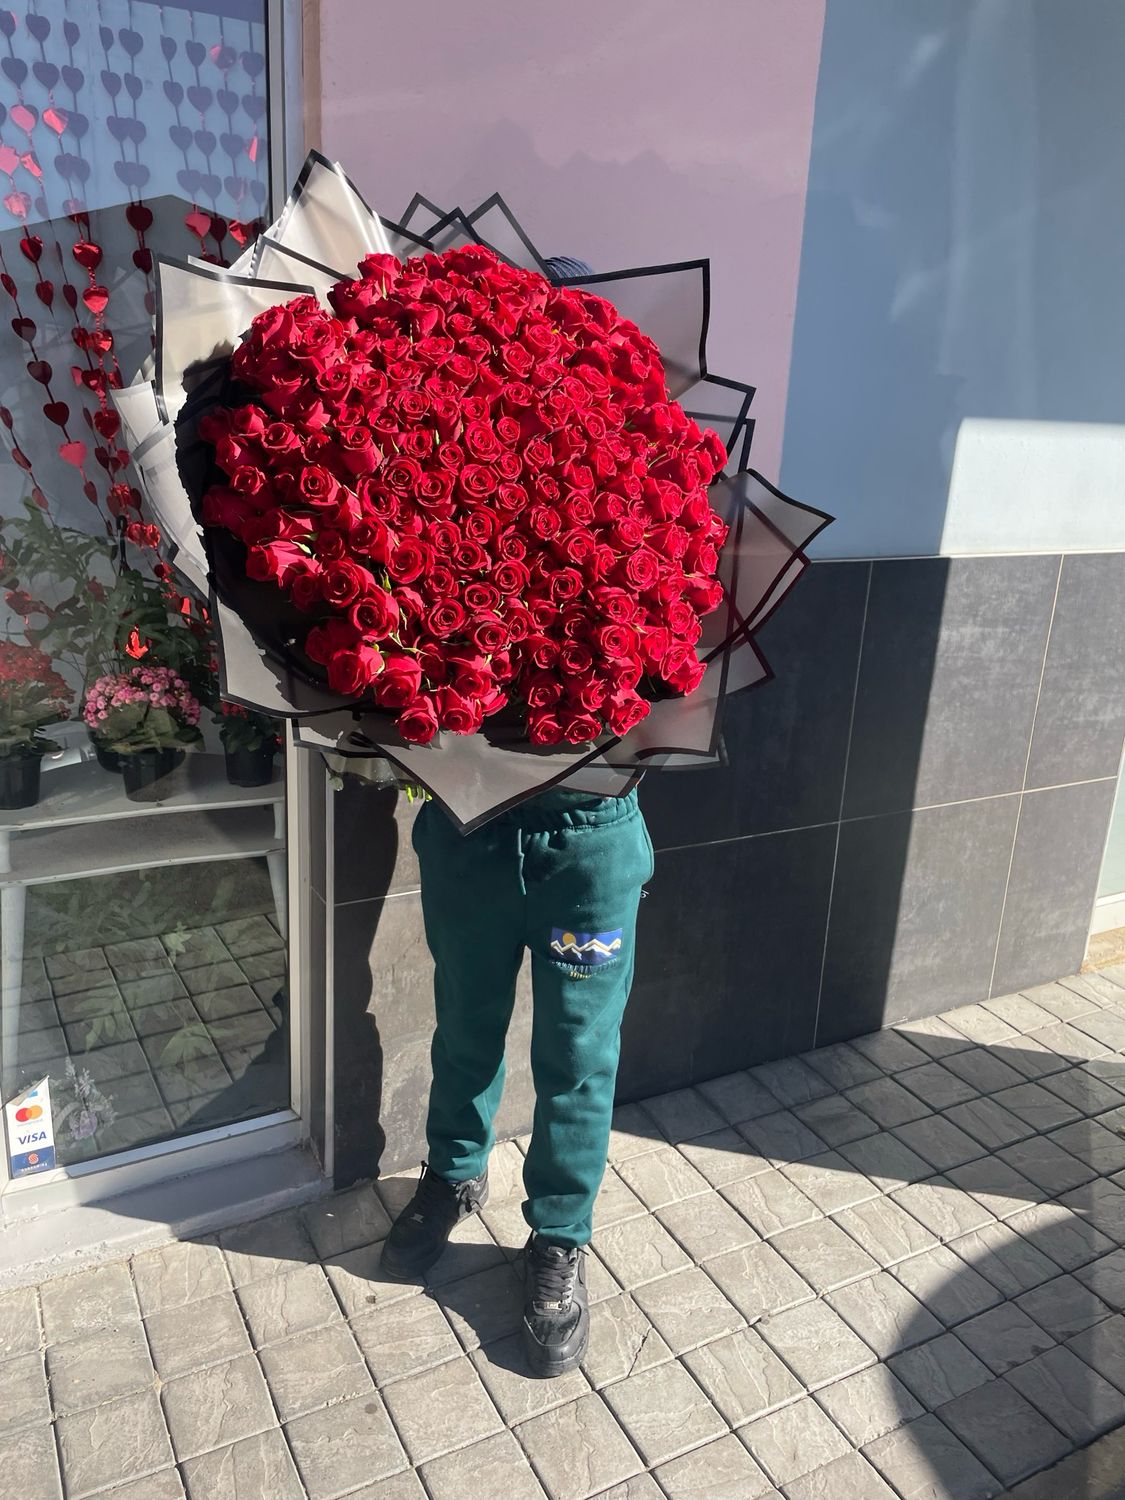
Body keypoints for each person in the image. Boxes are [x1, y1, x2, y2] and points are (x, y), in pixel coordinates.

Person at [379, 257, 655, 1379]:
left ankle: (558, 1238)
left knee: (580, 1052)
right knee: (465, 1019)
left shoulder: (643, 502)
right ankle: (453, 1170)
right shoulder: (448, 489)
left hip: (588, 841)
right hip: (472, 832)